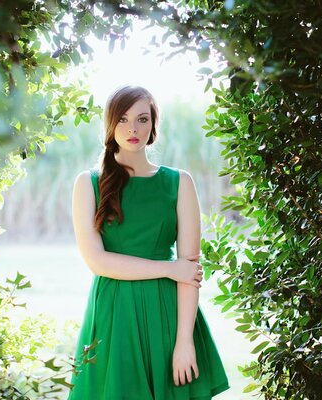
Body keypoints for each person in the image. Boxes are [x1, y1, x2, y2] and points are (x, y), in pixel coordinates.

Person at [68, 85, 229, 399]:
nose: (132, 129)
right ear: (110, 125)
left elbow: (189, 270)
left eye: (142, 119)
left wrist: (185, 342)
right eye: (123, 120)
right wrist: (168, 269)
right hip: (114, 314)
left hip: (168, 314)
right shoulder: (88, 183)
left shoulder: (178, 182)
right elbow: (97, 262)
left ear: (154, 125)